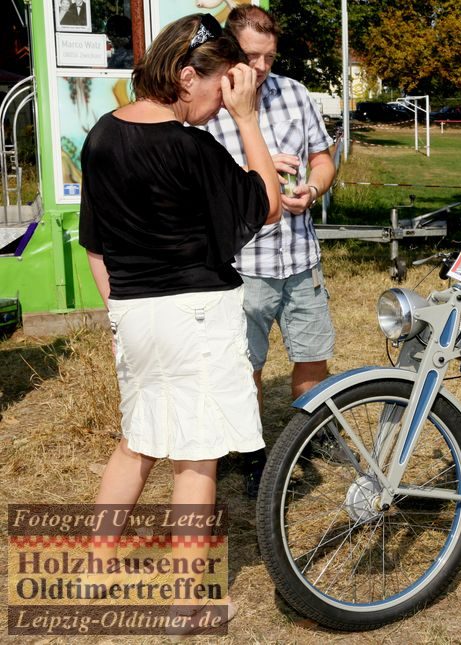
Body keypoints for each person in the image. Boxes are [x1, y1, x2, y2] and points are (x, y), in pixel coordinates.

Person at [78, 13, 280, 631]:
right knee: (196, 456)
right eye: (222, 86)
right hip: (196, 311)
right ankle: (187, 600)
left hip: (134, 311)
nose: (225, 101)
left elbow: (93, 244)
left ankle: (91, 573)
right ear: (186, 76)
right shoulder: (190, 147)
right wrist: (249, 123)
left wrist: (120, 310)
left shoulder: (103, 135)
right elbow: (266, 205)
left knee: (137, 441)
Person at [204, 5, 337, 498]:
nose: (260, 67)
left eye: (269, 57)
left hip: (299, 255)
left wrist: (313, 189)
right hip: (244, 264)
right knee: (246, 366)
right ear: (230, 50)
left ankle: (316, 436)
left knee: (313, 355)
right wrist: (253, 172)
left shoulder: (294, 94)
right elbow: (200, 185)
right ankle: (252, 452)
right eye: (251, 56)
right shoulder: (209, 103)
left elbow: (322, 157)